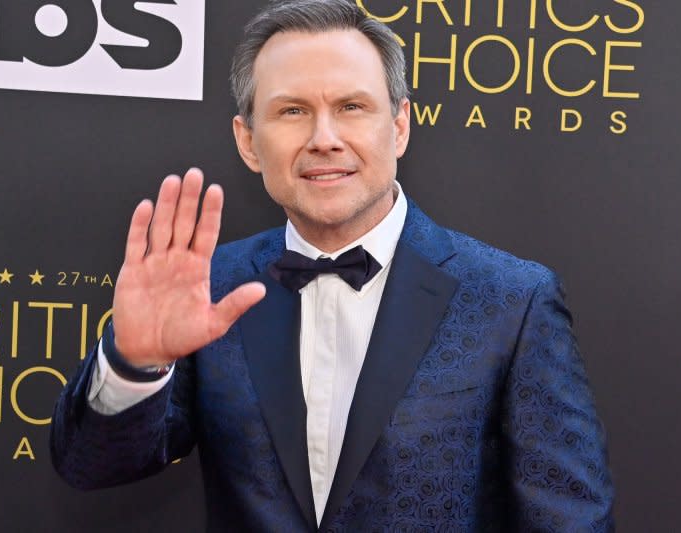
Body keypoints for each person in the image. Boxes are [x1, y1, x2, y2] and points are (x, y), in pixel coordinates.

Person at [50, 1, 614, 531]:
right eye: (292, 111)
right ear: (248, 141)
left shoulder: (512, 300)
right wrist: (135, 364)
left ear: (398, 127)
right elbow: (90, 467)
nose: (324, 139)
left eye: (351, 107)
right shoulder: (212, 286)